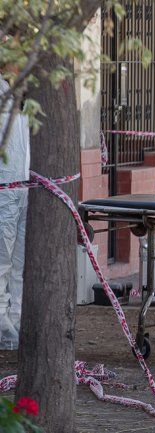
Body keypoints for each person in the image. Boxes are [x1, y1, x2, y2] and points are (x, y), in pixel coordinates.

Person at [0, 76, 29, 350]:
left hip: (22, 185)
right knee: (3, 260)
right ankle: (2, 322)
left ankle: (16, 319)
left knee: (18, 262)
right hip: (5, 187)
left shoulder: (19, 87)